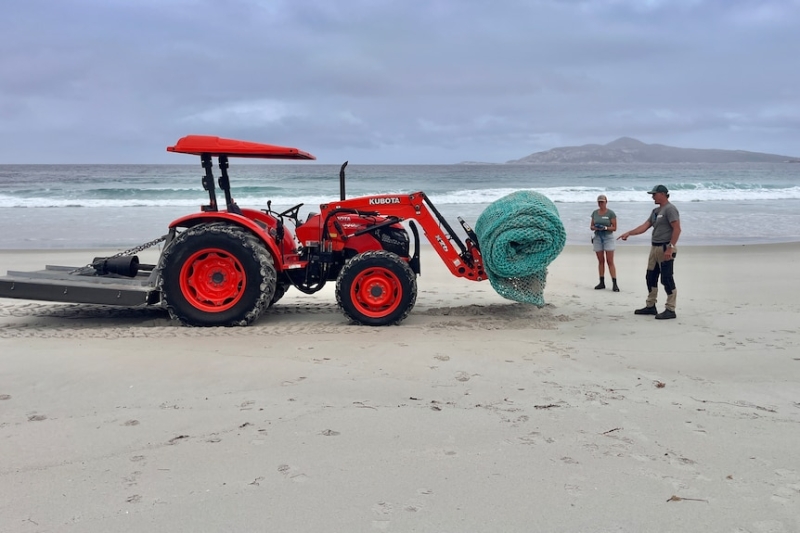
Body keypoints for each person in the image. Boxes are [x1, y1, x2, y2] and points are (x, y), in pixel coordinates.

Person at [618, 184, 681, 320]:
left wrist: (670, 247)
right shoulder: (655, 211)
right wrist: (629, 233)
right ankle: (651, 306)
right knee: (650, 277)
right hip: (654, 248)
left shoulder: (670, 209)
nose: (652, 196)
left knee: (667, 279)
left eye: (654, 194)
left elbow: (677, 229)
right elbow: (644, 226)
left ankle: (670, 309)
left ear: (663, 194)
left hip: (666, 248)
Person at [590, 194, 619, 291]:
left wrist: (605, 228)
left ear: (606, 202)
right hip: (598, 236)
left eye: (602, 202)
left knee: (610, 261)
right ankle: (601, 282)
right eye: (599, 202)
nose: (600, 203)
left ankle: (614, 283)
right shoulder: (595, 213)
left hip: (608, 237)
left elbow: (614, 228)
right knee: (600, 260)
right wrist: (596, 227)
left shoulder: (611, 213)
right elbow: (591, 226)